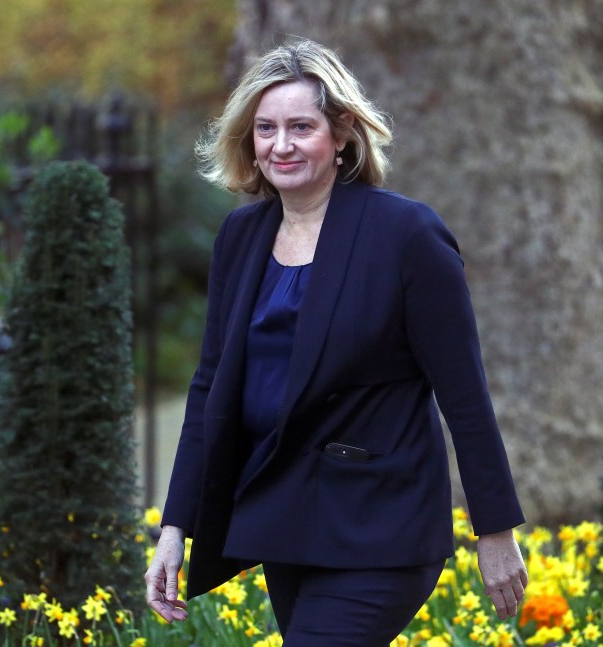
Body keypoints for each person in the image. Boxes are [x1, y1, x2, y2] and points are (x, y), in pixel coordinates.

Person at [144, 38, 528, 646]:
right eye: (266, 129)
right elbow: (209, 385)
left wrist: (496, 529)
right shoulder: (241, 237)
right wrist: (175, 526)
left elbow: (464, 394)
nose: (281, 145)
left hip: (381, 526)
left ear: (343, 132)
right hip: (286, 522)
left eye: (301, 126)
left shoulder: (406, 235)